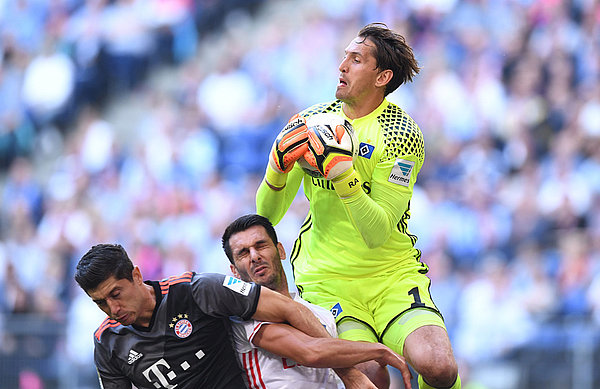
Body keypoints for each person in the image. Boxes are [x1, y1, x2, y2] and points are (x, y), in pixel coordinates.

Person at [256, 23, 461, 389]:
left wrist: (342, 176)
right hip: (327, 280)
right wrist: (277, 165)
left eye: (356, 59)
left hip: (390, 274)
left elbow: (377, 231)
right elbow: (267, 216)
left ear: (382, 76)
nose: (342, 66)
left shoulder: (401, 135)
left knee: (440, 367)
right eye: (344, 56)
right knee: (369, 375)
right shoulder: (310, 124)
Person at [74, 243, 375, 388]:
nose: (113, 310)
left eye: (115, 294)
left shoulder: (199, 290)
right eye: (100, 303)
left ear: (136, 275)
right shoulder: (106, 342)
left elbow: (287, 308)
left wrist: (349, 374)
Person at [221, 214, 413, 389]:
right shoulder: (244, 319)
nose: (254, 256)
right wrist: (378, 351)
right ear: (235, 271)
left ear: (280, 250)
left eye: (261, 245)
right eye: (243, 253)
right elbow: (310, 352)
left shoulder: (321, 314)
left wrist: (377, 366)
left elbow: (370, 382)